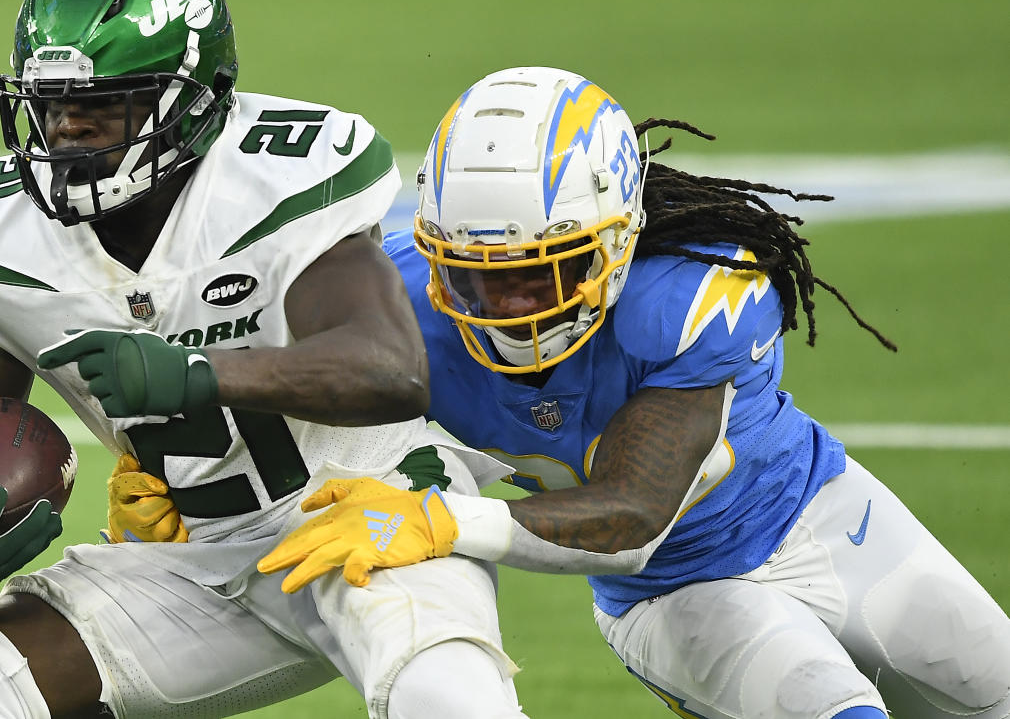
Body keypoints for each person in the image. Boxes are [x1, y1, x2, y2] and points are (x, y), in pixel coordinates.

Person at [258, 66, 1010, 718]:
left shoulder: (692, 293)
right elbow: (266, 376)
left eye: (537, 271)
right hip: (676, 595)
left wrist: (441, 518)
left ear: (616, 240)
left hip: (821, 510)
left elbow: (634, 513)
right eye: (473, 273)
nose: (506, 305)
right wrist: (156, 464)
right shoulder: (399, 306)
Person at [0, 0, 528, 719]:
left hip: (367, 519)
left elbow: (389, 371)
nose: (65, 129)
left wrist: (194, 373)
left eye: (101, 103)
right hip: (190, 559)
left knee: (448, 697)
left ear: (195, 99)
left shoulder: (279, 178)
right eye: (50, 102)